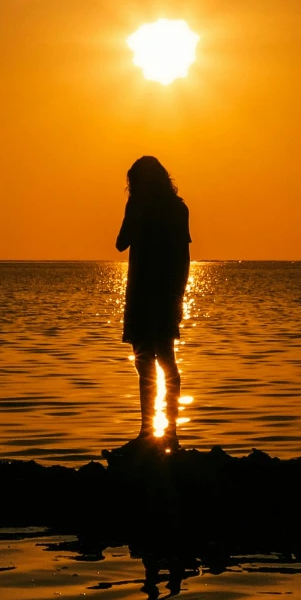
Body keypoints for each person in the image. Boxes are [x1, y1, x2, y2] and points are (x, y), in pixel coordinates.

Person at [116, 155, 190, 441]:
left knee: (146, 361)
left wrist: (134, 212)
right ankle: (167, 431)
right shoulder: (177, 208)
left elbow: (121, 243)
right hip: (163, 294)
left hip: (143, 293)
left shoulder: (138, 206)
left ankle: (150, 430)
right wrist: (178, 297)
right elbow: (184, 258)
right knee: (164, 360)